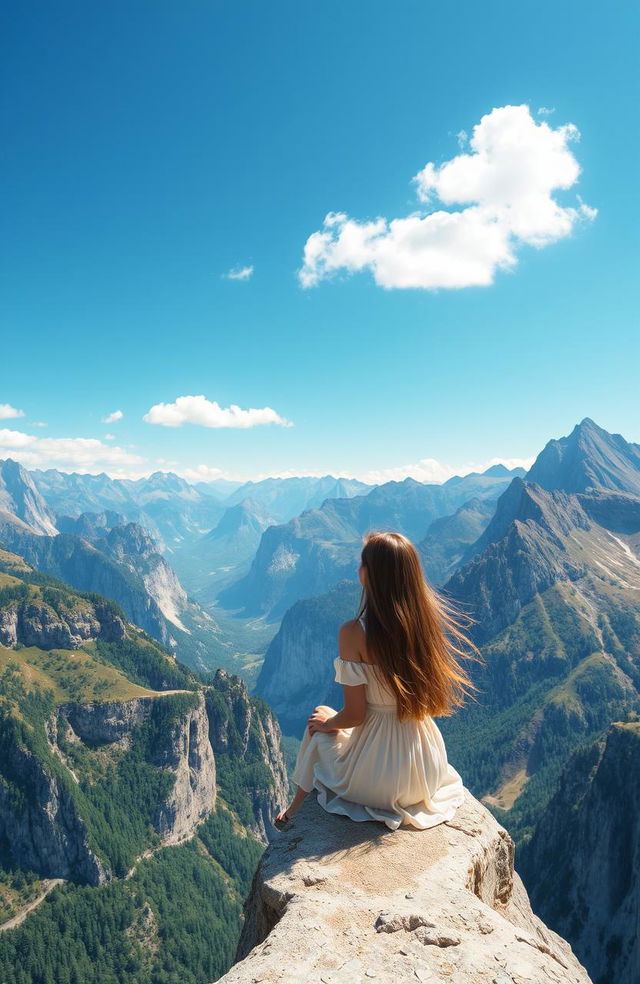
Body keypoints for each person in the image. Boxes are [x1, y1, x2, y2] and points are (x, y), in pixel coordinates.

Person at [274, 530, 482, 831]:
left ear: (370, 575)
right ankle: (295, 810)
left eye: (363, 562)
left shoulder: (354, 632)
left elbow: (356, 715)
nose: (359, 567)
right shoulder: (426, 623)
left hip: (379, 780)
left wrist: (327, 724)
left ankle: (293, 811)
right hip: (426, 771)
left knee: (319, 721)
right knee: (327, 719)